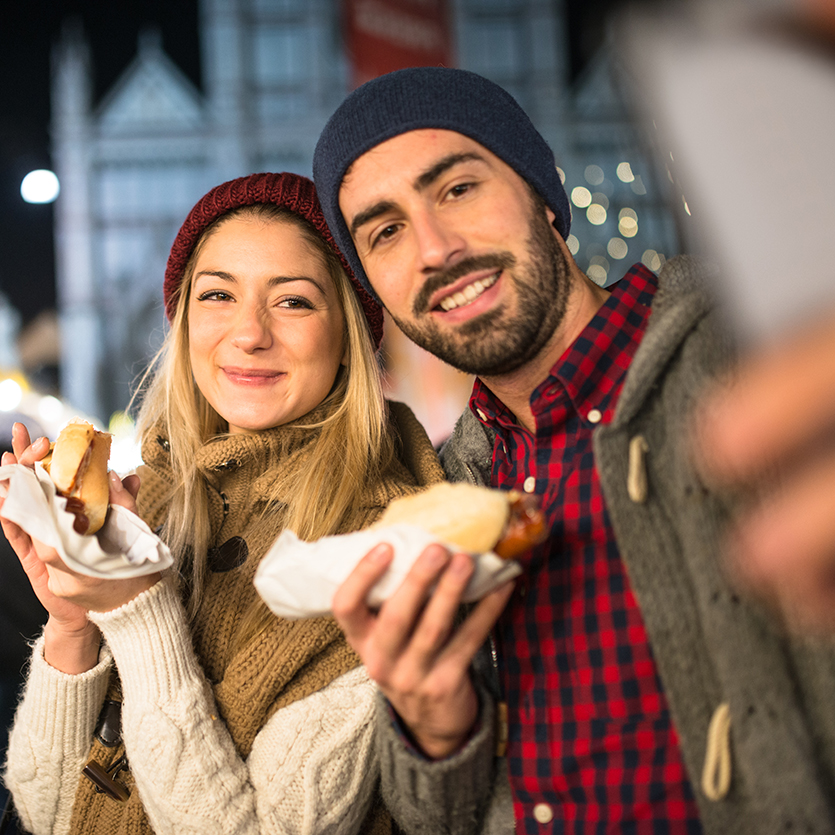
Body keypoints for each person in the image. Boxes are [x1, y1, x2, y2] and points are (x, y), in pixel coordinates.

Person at [313, 67, 835, 833]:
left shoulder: (754, 351)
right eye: (384, 231)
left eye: (457, 188)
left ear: (544, 193)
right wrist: (434, 729)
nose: (434, 249)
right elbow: (432, 819)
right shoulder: (442, 490)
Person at [1, 172, 444, 835]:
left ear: (348, 336)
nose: (249, 333)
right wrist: (71, 625)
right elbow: (47, 813)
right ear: (182, 324)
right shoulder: (147, 503)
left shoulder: (386, 550)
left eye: (292, 301)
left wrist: (137, 610)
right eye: (216, 295)